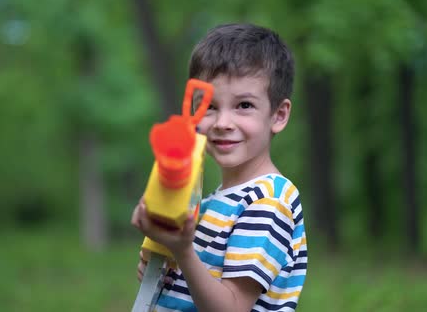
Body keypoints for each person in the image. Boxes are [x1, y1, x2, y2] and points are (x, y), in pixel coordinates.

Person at [131, 23, 307, 312]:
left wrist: (183, 250)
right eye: (209, 106)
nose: (223, 122)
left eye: (244, 105)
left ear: (278, 115)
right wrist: (162, 269)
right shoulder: (215, 200)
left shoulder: (268, 201)